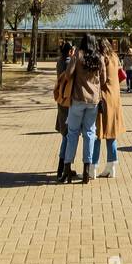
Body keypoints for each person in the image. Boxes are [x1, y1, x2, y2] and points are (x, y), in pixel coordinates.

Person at [59, 34, 105, 183]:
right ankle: (87, 168)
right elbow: (103, 80)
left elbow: (68, 74)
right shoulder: (99, 57)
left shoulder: (77, 56)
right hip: (93, 101)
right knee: (90, 133)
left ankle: (67, 167)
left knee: (72, 133)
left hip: (78, 99)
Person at [94, 38, 125, 179]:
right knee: (111, 133)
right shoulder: (115, 56)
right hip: (115, 97)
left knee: (97, 133)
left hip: (104, 97)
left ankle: (93, 165)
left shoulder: (103, 58)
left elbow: (101, 79)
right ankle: (111, 165)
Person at [54, 41, 73, 179]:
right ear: (70, 51)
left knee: (65, 134)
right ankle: (63, 167)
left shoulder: (59, 61)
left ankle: (65, 166)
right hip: (67, 100)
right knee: (68, 135)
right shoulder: (68, 63)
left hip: (61, 99)